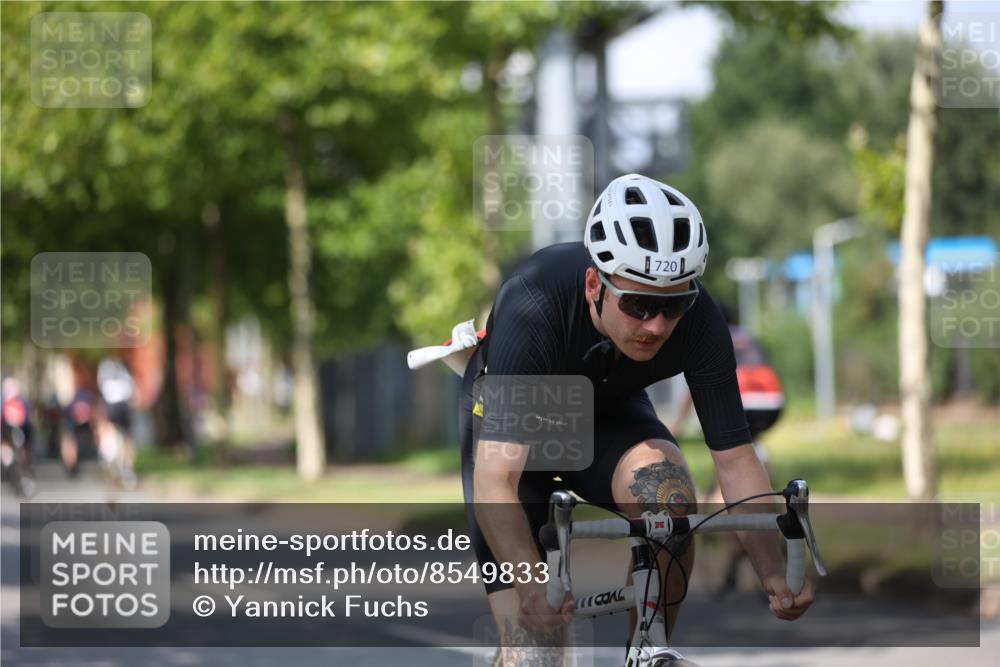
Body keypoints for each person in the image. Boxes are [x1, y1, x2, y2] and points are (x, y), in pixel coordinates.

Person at [460, 174, 814, 665]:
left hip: (609, 415)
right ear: (593, 286)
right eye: (638, 304)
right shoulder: (533, 304)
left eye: (673, 306)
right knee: (535, 650)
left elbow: (735, 461)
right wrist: (532, 585)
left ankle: (646, 649)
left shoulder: (701, 321)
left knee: (667, 498)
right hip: (517, 434)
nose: (656, 325)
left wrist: (773, 572)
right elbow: (496, 479)